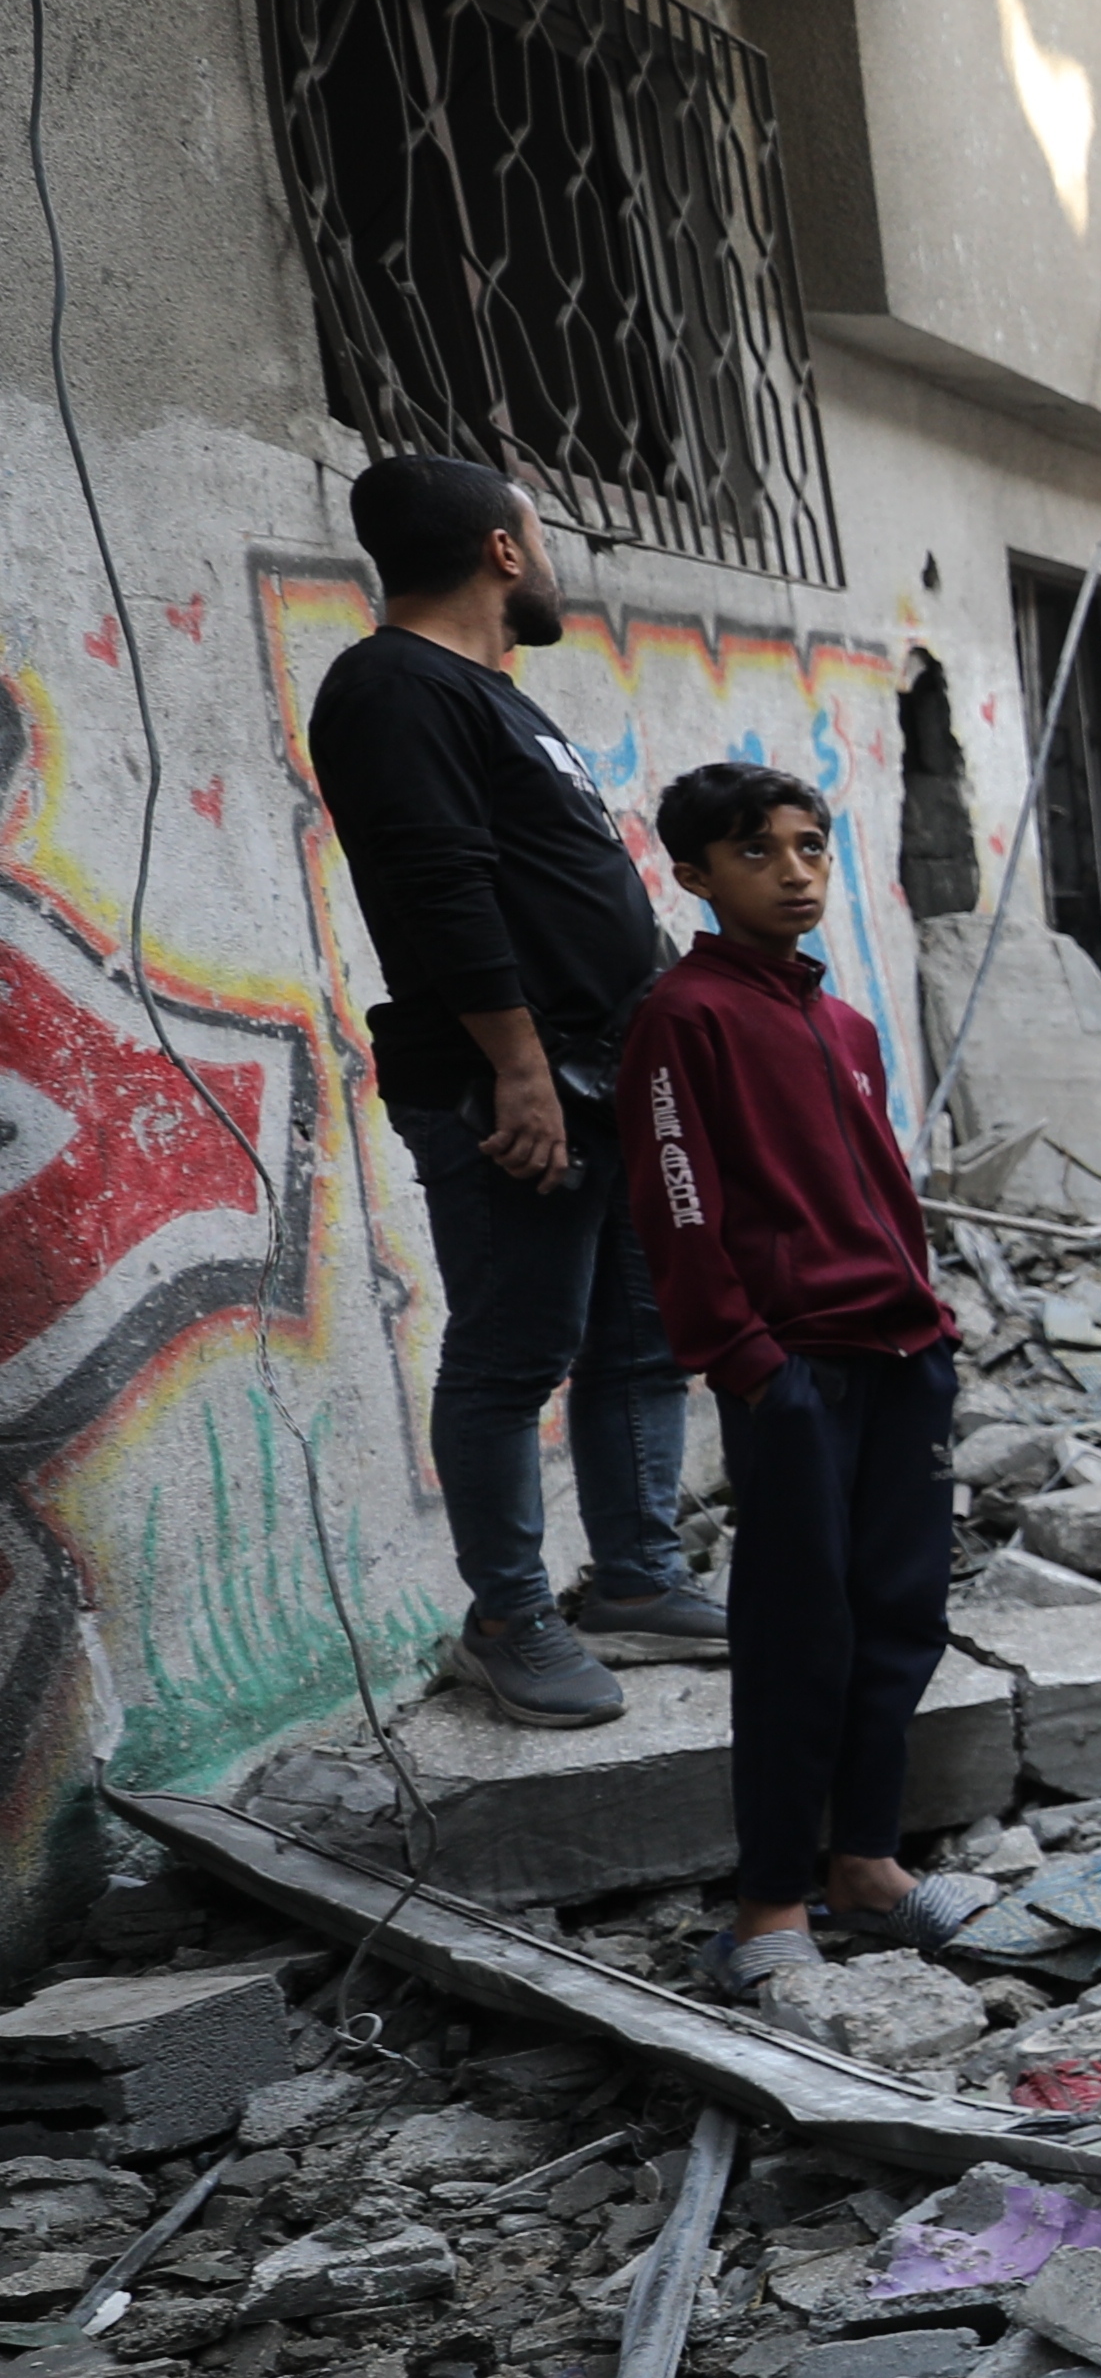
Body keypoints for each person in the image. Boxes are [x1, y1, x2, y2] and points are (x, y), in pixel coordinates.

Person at [307, 456, 709, 1727]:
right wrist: (519, 1072)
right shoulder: (392, 686)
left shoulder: (487, 694)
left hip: (611, 1077)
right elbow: (444, 889)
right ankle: (507, 1619)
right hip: (515, 1086)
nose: (552, 563)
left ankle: (639, 1577)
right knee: (511, 1354)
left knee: (640, 1340)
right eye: (543, 538)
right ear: (500, 548)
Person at [623, 762, 986, 1997]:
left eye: (809, 847)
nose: (792, 873)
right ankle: (772, 1900)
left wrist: (932, 1328)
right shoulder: (686, 1017)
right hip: (795, 1373)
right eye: (757, 854)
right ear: (695, 875)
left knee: (900, 1615)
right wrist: (748, 1359)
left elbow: (887, 1197)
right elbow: (679, 1205)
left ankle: (867, 1867)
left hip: (900, 1360)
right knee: (799, 1635)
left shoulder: (846, 1027)